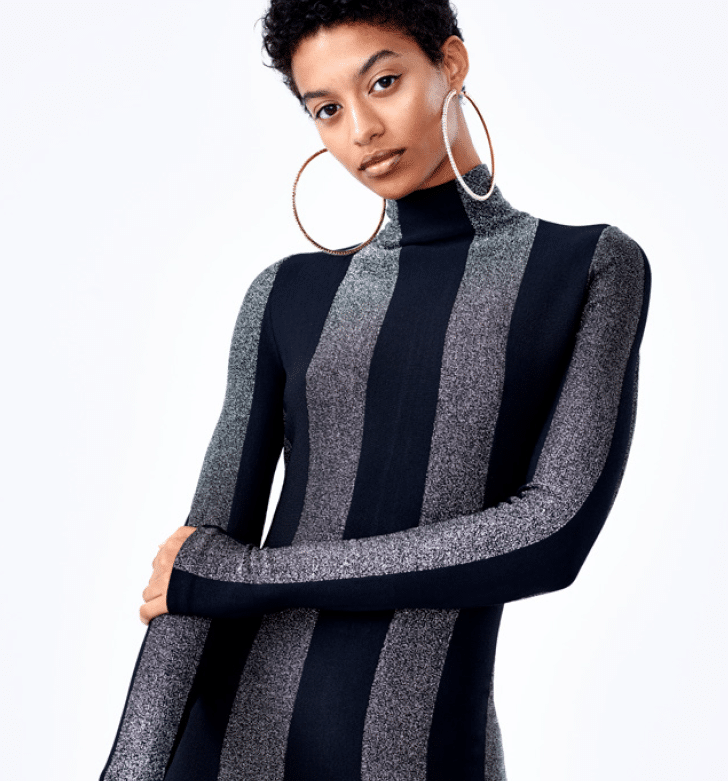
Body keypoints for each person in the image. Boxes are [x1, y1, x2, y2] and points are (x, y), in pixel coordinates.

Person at [99, 1, 652, 779]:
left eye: (383, 82)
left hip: (425, 747)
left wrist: (247, 576)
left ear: (450, 63)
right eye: (326, 108)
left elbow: (548, 537)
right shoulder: (285, 294)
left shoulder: (588, 267)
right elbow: (192, 566)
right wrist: (127, 769)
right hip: (227, 746)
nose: (361, 129)